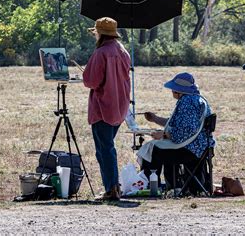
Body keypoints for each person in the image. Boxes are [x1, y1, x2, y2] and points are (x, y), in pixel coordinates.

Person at [137, 72, 215, 191]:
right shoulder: (196, 99)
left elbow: (186, 130)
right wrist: (155, 119)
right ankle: (168, 185)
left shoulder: (187, 102)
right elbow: (178, 123)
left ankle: (150, 188)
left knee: (152, 150)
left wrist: (163, 134)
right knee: (155, 147)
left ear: (179, 91)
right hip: (199, 146)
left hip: (190, 149)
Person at [83, 17, 131, 201]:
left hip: (104, 106)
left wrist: (85, 74)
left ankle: (111, 189)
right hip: (119, 105)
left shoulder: (102, 52)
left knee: (105, 150)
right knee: (107, 147)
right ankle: (112, 187)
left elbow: (91, 81)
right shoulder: (122, 50)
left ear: (100, 33)